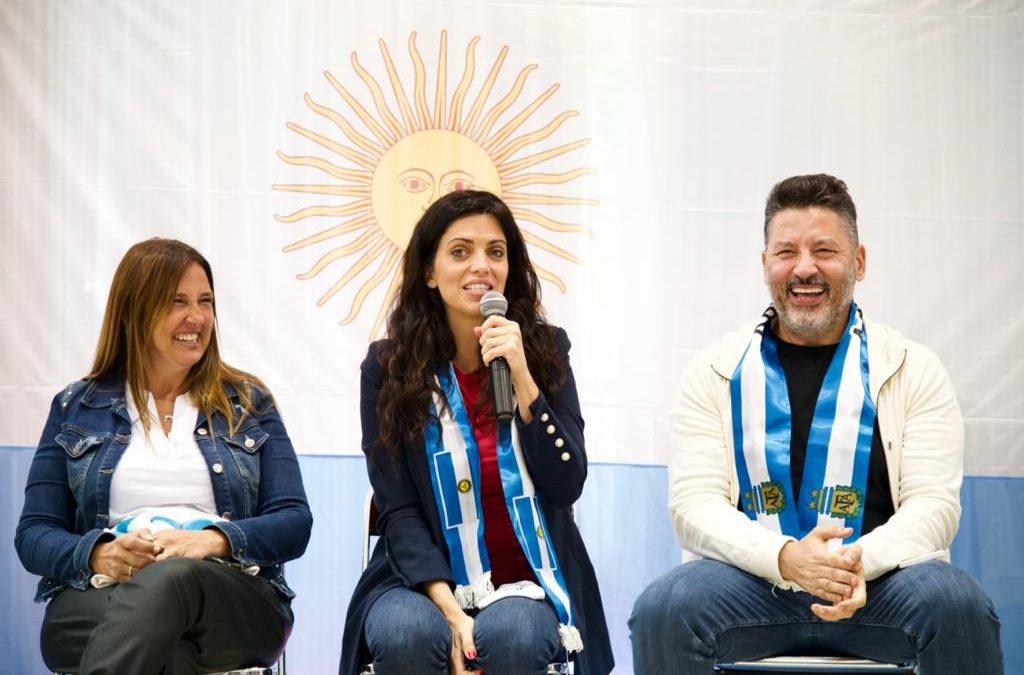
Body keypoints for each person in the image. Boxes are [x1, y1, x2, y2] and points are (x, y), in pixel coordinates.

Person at [629, 174, 1003, 673]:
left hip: (877, 586)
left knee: (958, 605)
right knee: (665, 608)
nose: (805, 268)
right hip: (754, 586)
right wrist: (785, 558)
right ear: (765, 265)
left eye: (824, 249)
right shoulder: (715, 370)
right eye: (786, 252)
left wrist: (852, 567)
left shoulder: (913, 368)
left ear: (859, 261)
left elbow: (934, 507)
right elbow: (694, 506)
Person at [340, 190, 613, 675]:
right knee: (407, 635)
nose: (480, 266)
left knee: (511, 636)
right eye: (460, 251)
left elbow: (567, 483)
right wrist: (449, 610)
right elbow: (397, 509)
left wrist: (523, 376)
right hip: (419, 581)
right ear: (429, 272)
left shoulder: (545, 352)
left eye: (496, 251)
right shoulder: (388, 368)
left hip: (529, 578)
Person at [15, 238, 313, 674]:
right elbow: (34, 534)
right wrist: (98, 553)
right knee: (162, 647)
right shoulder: (74, 406)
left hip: (231, 599)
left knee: (171, 580)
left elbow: (293, 521)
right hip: (102, 594)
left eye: (205, 301)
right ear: (135, 311)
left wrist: (211, 540)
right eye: (178, 302)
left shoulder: (249, 403)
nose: (197, 317)